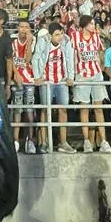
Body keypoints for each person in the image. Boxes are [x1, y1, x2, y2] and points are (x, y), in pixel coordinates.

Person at [32, 22, 76, 154]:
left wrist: (70, 77)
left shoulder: (66, 41)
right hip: (46, 81)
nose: (60, 37)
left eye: (61, 33)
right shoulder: (43, 41)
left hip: (61, 81)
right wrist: (37, 76)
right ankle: (44, 142)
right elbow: (36, 58)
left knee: (63, 110)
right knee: (45, 111)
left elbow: (69, 59)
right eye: (57, 35)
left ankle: (63, 142)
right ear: (50, 35)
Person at [71, 15, 111, 153]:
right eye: (91, 24)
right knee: (84, 109)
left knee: (98, 108)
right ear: (84, 25)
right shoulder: (75, 36)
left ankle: (104, 141)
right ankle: (86, 141)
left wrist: (101, 64)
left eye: (94, 23)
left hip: (96, 75)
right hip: (81, 75)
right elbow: (70, 53)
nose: (93, 26)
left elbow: (101, 50)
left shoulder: (96, 36)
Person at [10, 19, 36, 154]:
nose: (24, 29)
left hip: (29, 79)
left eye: (27, 27)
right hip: (17, 80)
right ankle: (15, 140)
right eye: (22, 27)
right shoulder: (13, 42)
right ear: (18, 28)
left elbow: (28, 59)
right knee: (17, 110)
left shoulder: (33, 41)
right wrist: (15, 73)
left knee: (29, 110)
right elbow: (11, 60)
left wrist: (29, 42)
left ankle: (30, 140)